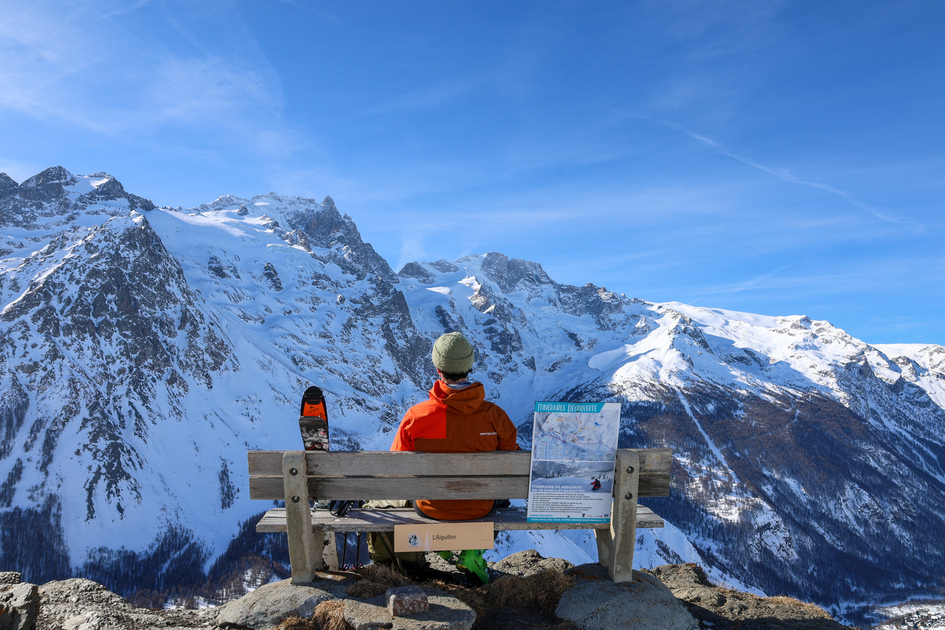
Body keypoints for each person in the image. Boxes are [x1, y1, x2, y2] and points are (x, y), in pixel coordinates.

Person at [367, 331, 520, 576]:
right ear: (469, 367)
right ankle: (472, 550)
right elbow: (512, 467)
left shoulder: (417, 417)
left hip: (430, 507)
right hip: (479, 508)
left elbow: (395, 470)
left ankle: (438, 550)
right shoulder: (495, 416)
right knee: (502, 494)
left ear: (438, 368)